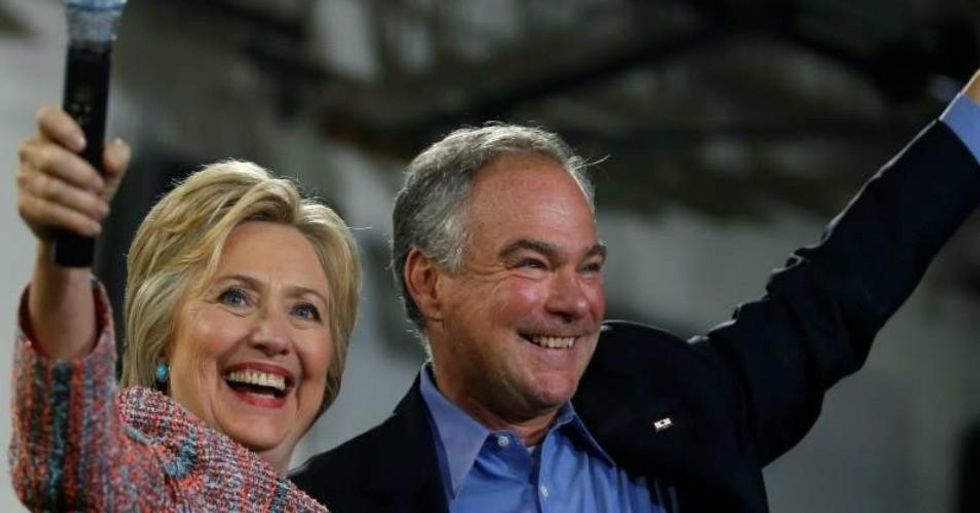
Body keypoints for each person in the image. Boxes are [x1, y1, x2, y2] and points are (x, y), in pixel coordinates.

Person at [290, 69, 980, 513]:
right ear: (429, 280)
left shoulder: (681, 395)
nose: (577, 301)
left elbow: (839, 286)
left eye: (588, 266)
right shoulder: (329, 499)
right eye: (533, 263)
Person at [10, 107, 360, 511]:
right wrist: (65, 252)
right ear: (162, 338)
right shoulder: (144, 485)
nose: (273, 336)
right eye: (235, 297)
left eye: (304, 311)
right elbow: (74, 456)